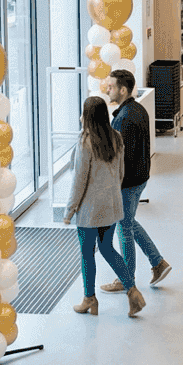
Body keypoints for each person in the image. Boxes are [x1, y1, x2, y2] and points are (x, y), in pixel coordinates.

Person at [64, 96, 146, 318]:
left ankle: (89, 299)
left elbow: (79, 180)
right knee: (108, 248)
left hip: (90, 210)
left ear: (87, 117)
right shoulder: (116, 138)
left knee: (87, 253)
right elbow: (120, 174)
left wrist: (69, 210)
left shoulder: (85, 142)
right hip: (111, 206)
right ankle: (132, 290)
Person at [100, 68, 171, 293]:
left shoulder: (123, 120)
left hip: (127, 183)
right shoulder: (138, 109)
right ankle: (158, 263)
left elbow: (121, 159)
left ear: (123, 90)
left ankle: (126, 278)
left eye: (111, 86)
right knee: (128, 223)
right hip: (140, 178)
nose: (107, 89)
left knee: (124, 229)